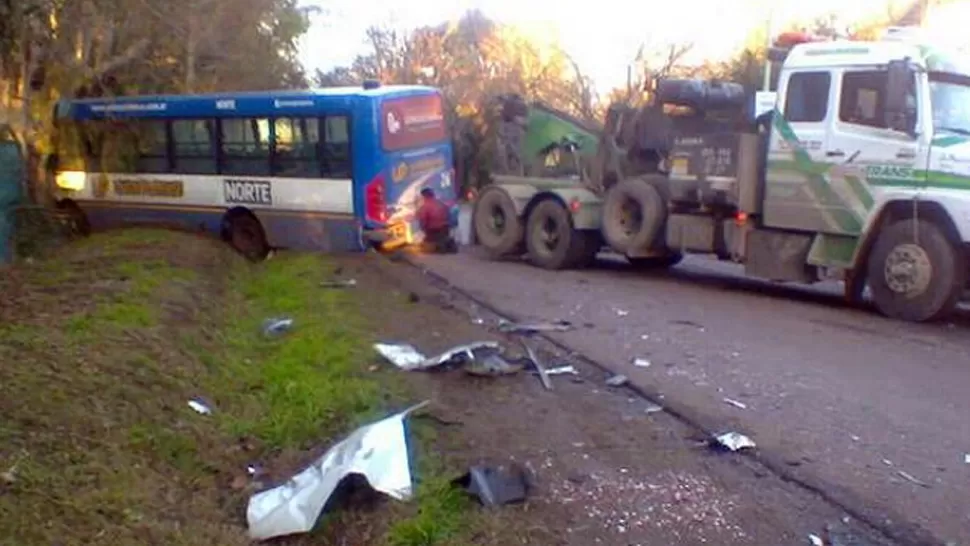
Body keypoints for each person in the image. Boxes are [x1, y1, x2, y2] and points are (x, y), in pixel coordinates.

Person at [416, 187, 457, 254]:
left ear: (424, 197)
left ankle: (437, 244)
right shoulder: (441, 203)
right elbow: (449, 216)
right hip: (445, 228)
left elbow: (423, 220)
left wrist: (422, 229)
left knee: (425, 246)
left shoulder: (425, 206)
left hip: (434, 230)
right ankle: (444, 242)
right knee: (442, 237)